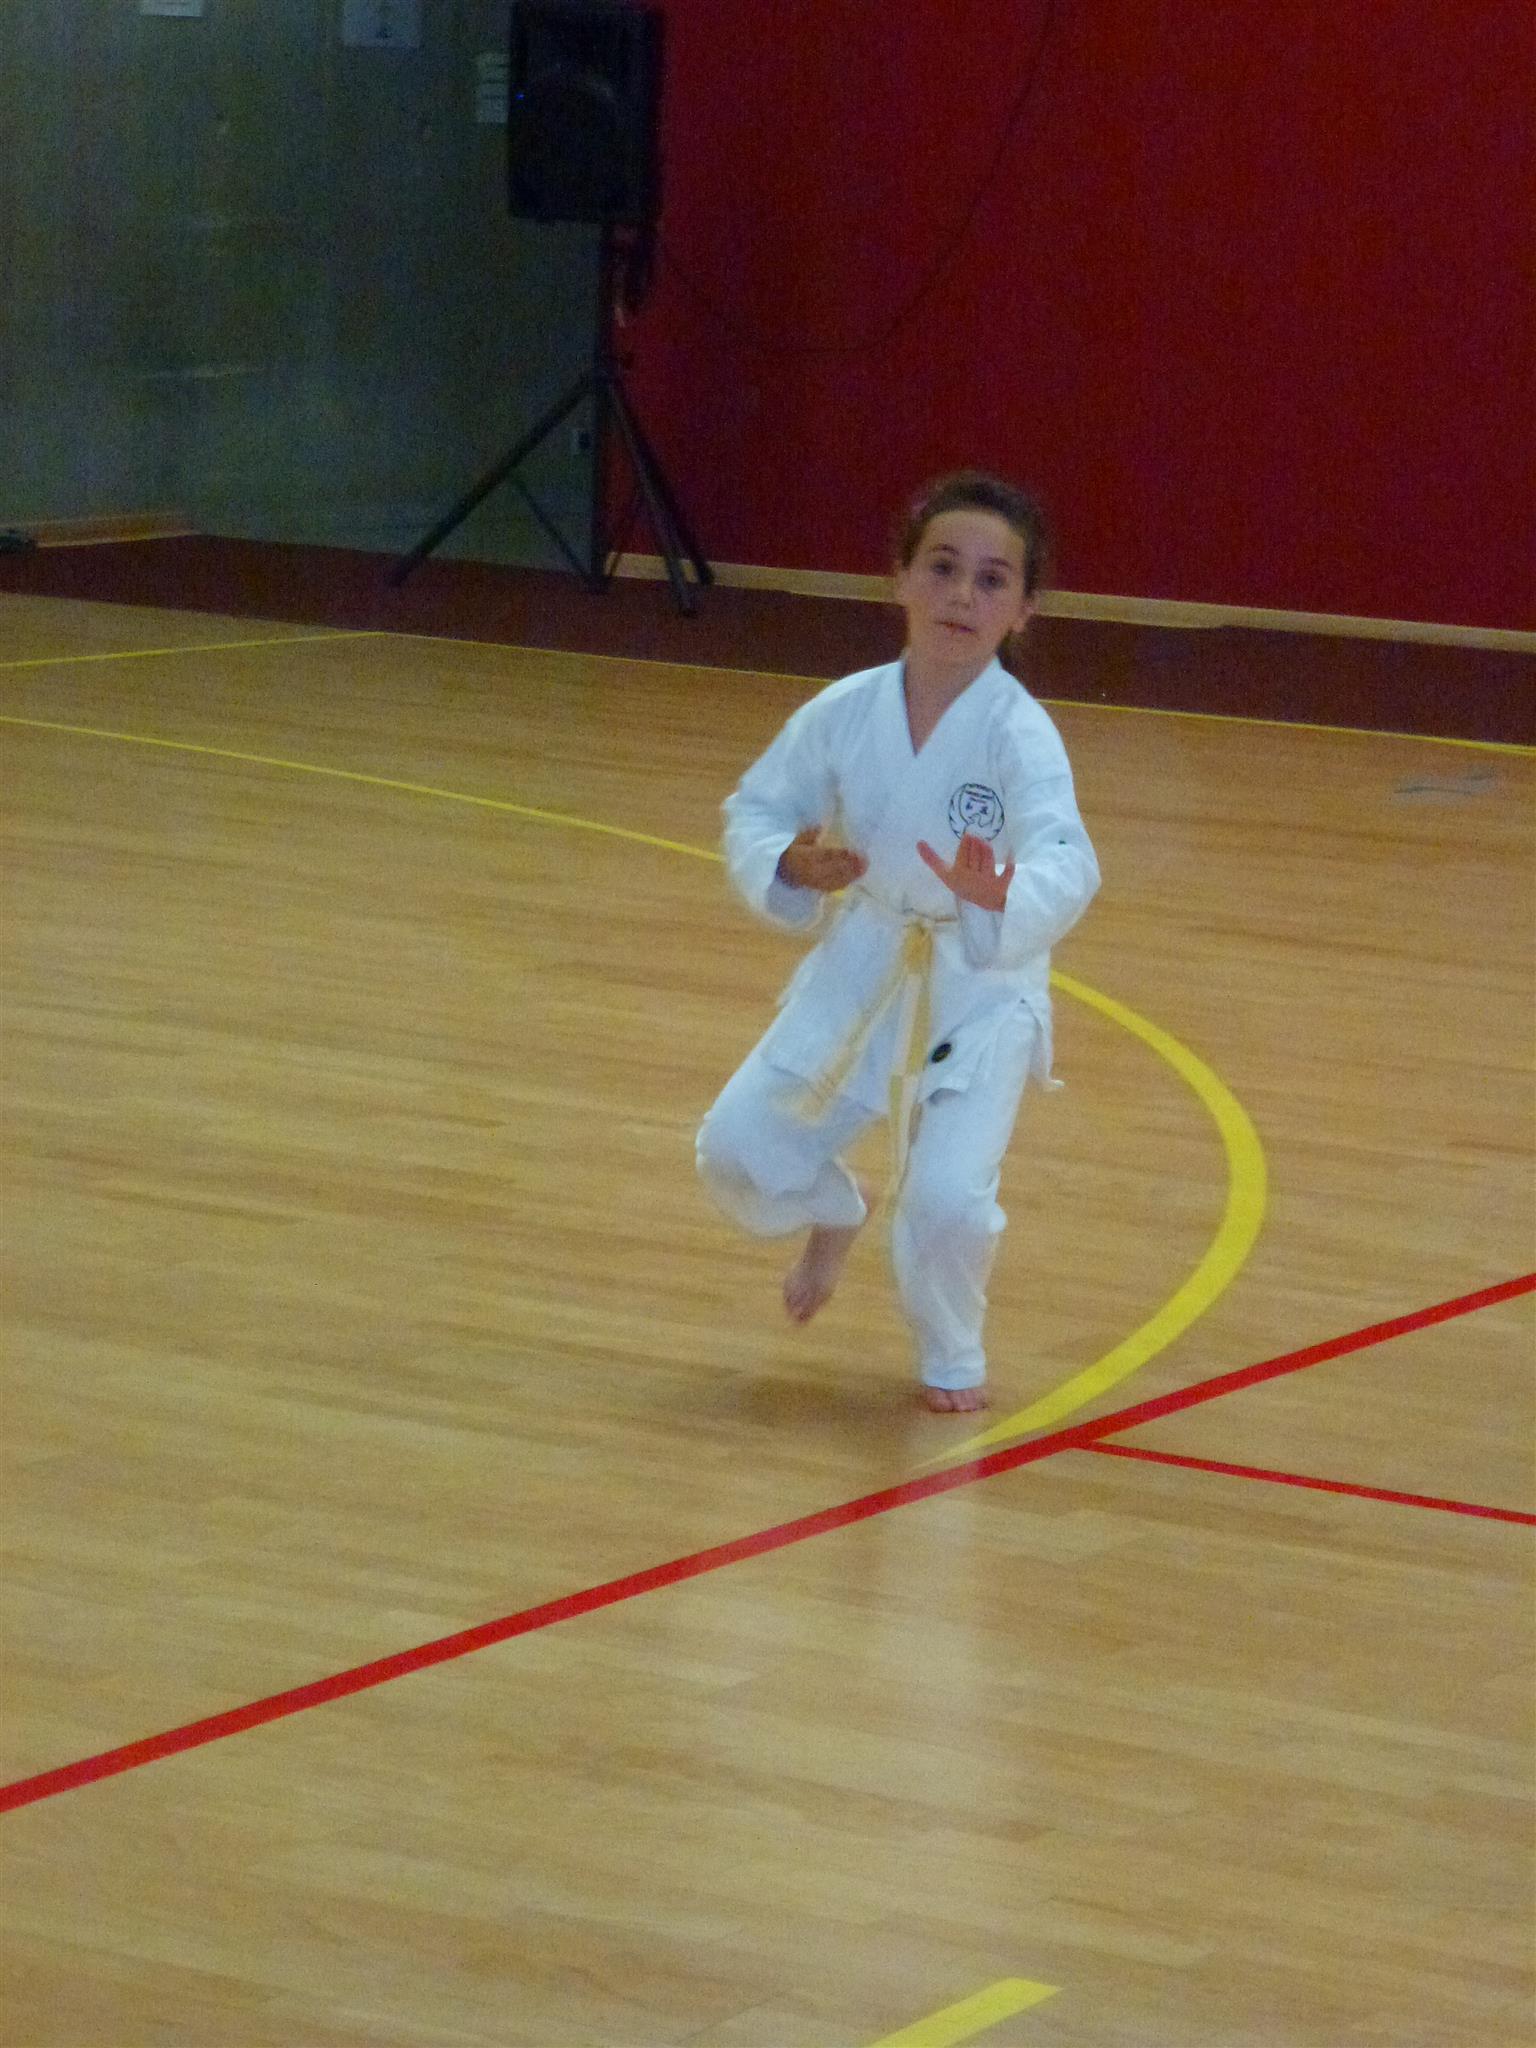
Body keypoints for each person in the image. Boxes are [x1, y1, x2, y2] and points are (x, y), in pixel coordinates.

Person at [695, 470, 1100, 1412]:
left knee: (948, 1198)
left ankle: (951, 1351)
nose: (963, 595)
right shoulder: (845, 710)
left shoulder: (1019, 732)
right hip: (867, 956)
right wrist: (789, 864)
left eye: (993, 580)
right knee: (736, 1149)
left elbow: (1070, 858)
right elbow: (757, 808)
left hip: (979, 981)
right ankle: (837, 1210)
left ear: (1024, 610)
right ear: (901, 579)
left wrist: (1003, 893)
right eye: (943, 567)